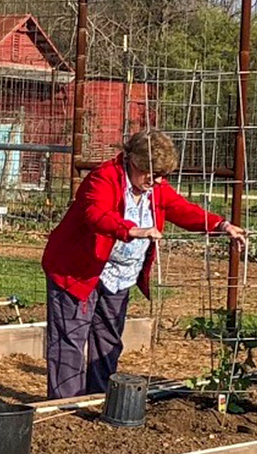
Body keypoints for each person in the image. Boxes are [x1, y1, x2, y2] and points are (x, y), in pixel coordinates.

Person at [40, 129, 245, 399]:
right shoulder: (103, 179)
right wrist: (132, 231)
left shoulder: (156, 189)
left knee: (108, 340)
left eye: (162, 175)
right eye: (151, 173)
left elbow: (181, 209)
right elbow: (95, 214)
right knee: (71, 340)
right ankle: (65, 407)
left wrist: (220, 224)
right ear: (132, 162)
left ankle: (100, 400)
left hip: (119, 276)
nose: (158, 181)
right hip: (78, 271)